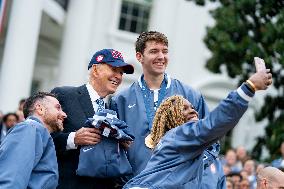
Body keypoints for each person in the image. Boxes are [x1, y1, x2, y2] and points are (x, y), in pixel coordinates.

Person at [123, 69, 272, 188]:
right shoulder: (178, 136)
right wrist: (249, 87)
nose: (193, 111)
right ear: (171, 117)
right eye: (185, 108)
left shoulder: (187, 148)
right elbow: (215, 123)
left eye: (193, 108)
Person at [112, 31, 223, 187]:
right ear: (139, 57)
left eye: (164, 51)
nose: (161, 57)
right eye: (154, 51)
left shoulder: (191, 96)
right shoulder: (121, 100)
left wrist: (190, 168)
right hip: (137, 184)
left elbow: (211, 141)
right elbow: (114, 148)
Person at [51, 49, 134, 189]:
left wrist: (120, 145)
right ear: (95, 70)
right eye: (114, 69)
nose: (118, 76)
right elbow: (43, 138)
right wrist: (73, 139)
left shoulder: (113, 110)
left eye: (121, 72)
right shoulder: (65, 95)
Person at [0, 92, 67, 189]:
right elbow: (11, 178)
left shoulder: (36, 132)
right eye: (58, 108)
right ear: (40, 109)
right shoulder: (29, 129)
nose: (64, 114)